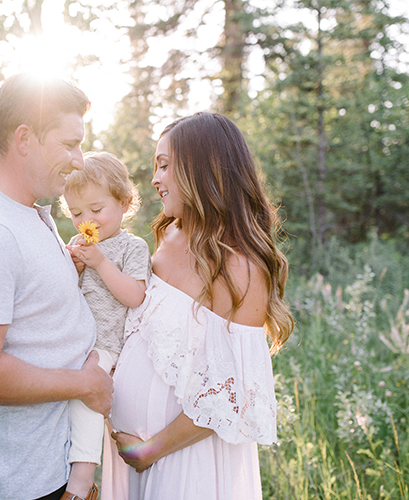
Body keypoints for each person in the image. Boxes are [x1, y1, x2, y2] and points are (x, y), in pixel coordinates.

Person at [101, 112, 295, 500]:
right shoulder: (170, 235)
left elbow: (233, 392)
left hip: (186, 463)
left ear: (202, 169)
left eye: (165, 165)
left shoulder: (243, 268)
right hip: (125, 459)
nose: (155, 179)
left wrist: (148, 450)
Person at [0, 73, 113, 500]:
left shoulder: (33, 210)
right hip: (27, 485)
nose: (79, 160)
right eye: (69, 144)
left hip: (61, 468)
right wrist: (84, 384)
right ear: (24, 138)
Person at [60, 152, 152, 500]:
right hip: (71, 338)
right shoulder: (75, 245)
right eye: (77, 213)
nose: (87, 221)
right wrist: (76, 270)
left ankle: (82, 482)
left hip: (106, 343)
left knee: (86, 395)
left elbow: (134, 295)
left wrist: (98, 262)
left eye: (96, 210)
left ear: (124, 202)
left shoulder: (133, 246)